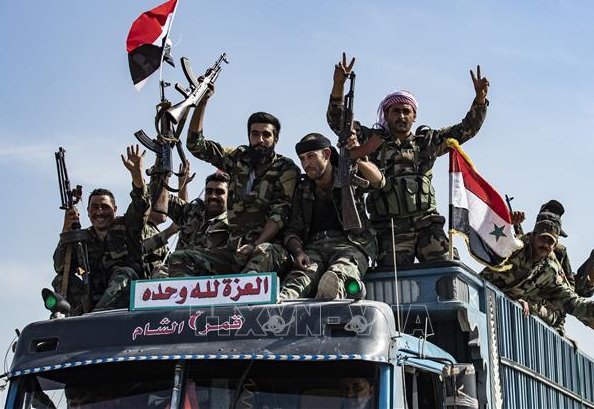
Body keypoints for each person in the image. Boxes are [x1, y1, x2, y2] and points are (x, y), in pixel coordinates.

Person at [327, 53, 490, 267]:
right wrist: (338, 86)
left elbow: (466, 129)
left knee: (446, 269)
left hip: (427, 225)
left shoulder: (427, 142)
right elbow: (339, 122)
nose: (401, 116)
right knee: (391, 279)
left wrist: (479, 100)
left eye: (406, 112)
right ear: (386, 114)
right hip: (389, 228)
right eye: (395, 111)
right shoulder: (372, 140)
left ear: (414, 116)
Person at [177, 83, 300, 276]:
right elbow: (196, 145)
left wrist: (255, 245)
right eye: (255, 134)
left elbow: (279, 214)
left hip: (269, 249)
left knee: (252, 271)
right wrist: (202, 102)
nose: (260, 140)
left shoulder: (285, 168)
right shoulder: (238, 157)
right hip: (234, 249)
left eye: (266, 135)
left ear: (276, 139)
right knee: (181, 258)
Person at [279, 133, 383, 300]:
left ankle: (329, 299)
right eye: (302, 159)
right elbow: (294, 229)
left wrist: (355, 156)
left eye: (311, 156)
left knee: (337, 278)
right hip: (314, 249)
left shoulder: (348, 175)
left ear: (327, 154)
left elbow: (378, 181)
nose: (306, 164)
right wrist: (298, 252)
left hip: (352, 245)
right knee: (294, 285)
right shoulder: (302, 189)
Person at [52, 145, 149, 315]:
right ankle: (76, 318)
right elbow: (61, 266)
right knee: (60, 280)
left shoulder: (127, 226)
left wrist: (137, 175)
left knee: (124, 273)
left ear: (115, 210)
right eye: (95, 207)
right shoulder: (83, 238)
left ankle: (95, 317)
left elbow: (140, 205)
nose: (100, 212)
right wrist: (66, 232)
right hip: (94, 296)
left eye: (105, 207)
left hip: (130, 294)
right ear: (88, 211)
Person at [481, 216, 594, 332]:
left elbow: (571, 302)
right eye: (542, 239)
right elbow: (487, 237)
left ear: (555, 245)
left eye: (550, 241)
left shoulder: (550, 270)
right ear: (533, 237)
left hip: (500, 311)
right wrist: (507, 221)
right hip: (479, 293)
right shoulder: (514, 247)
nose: (545, 245)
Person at [511, 200, 594, 334]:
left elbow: (568, 292)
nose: (545, 244)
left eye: (552, 239)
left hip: (547, 314)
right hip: (522, 304)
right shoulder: (523, 245)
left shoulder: (559, 253)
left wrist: (593, 260)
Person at [163, 172, 232, 278]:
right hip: (182, 273)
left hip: (215, 279)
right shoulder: (191, 213)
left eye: (219, 192)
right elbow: (160, 198)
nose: (213, 196)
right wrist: (162, 174)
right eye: (209, 191)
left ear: (229, 196)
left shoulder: (234, 223)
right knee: (159, 272)